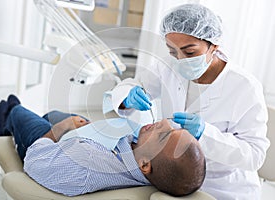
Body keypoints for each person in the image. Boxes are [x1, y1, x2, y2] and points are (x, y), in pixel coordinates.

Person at [104, 3, 270, 199]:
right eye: (173, 51)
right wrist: (128, 96)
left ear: (213, 46)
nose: (180, 59)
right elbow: (133, 86)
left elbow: (254, 156)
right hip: (172, 182)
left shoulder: (244, 87)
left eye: (189, 52)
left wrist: (205, 134)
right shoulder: (167, 66)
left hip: (223, 189)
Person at [0, 95, 206, 197]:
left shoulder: (86, 163)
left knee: (16, 111)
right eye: (174, 127)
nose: (164, 123)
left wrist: (60, 128)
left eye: (164, 135)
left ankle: (7, 120)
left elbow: (35, 158)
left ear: (144, 165)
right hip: (86, 130)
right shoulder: (144, 159)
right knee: (52, 113)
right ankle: (35, 119)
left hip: (50, 142)